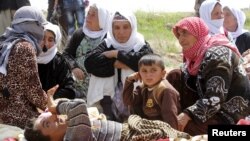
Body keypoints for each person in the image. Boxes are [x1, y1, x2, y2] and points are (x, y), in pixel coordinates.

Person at [166, 17, 250, 136]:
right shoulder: (194, 56)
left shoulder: (217, 55)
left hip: (229, 114)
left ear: (198, 32)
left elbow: (215, 98)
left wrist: (187, 115)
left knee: (187, 130)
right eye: (178, 35)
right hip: (210, 105)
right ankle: (167, 117)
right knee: (175, 75)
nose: (181, 39)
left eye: (185, 33)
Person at [23, 85, 190, 141]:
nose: (54, 117)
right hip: (129, 137)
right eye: (47, 123)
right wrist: (55, 107)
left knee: (174, 133)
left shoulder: (71, 127)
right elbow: (78, 106)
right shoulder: (73, 138)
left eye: (51, 117)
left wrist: (51, 108)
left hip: (130, 129)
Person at [84, 10, 153, 121]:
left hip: (136, 98)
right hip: (110, 98)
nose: (121, 32)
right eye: (117, 28)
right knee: (98, 73)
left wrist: (116, 54)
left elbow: (148, 62)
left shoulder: (140, 44)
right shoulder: (108, 42)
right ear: (112, 29)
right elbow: (89, 63)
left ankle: (135, 115)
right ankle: (105, 114)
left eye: (126, 27)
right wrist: (114, 63)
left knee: (134, 71)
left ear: (132, 28)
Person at [0, 6, 48, 129]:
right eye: (40, 26)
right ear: (31, 25)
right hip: (18, 118)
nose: (42, 30)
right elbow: (33, 90)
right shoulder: (25, 47)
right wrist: (51, 104)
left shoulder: (5, 44)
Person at [63, 3, 110, 99]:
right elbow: (66, 54)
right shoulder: (79, 33)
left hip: (99, 89)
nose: (88, 17)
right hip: (76, 86)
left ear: (102, 19)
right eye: (88, 13)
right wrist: (74, 67)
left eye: (93, 15)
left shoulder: (108, 38)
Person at [123, 54, 180, 129]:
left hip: (162, 129)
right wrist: (129, 81)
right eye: (144, 71)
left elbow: (170, 116)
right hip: (147, 127)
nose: (148, 75)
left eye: (153, 70)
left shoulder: (166, 90)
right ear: (139, 74)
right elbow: (129, 101)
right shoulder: (143, 88)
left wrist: (171, 137)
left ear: (163, 73)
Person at [37, 22, 79, 99]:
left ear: (55, 42)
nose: (46, 43)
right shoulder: (29, 57)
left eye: (50, 40)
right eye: (43, 38)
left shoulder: (59, 61)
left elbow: (69, 89)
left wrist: (50, 98)